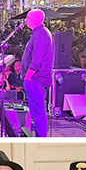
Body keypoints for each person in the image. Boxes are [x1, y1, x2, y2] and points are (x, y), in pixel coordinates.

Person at [22, 9, 54, 137]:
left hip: (36, 79)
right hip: (34, 79)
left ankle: (41, 138)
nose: (25, 20)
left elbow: (37, 59)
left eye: (28, 17)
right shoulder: (38, 33)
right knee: (35, 111)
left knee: (39, 111)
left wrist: (28, 76)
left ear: (36, 19)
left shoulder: (41, 35)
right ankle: (38, 136)